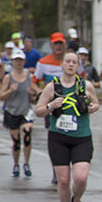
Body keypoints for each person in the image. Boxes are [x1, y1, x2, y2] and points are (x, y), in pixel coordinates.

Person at [35, 50, 100, 202]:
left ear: (78, 66)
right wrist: (50, 105)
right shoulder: (52, 87)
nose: (71, 65)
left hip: (82, 137)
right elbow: (38, 111)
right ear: (62, 65)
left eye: (74, 62)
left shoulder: (85, 85)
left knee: (80, 178)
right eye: (68, 61)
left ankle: (76, 201)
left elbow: (96, 103)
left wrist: (93, 107)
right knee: (63, 181)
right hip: (59, 138)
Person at [0, 49, 41, 177]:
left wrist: (33, 93)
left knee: (27, 136)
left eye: (21, 60)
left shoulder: (29, 76)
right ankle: (16, 164)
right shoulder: (8, 77)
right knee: (16, 141)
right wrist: (11, 90)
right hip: (12, 111)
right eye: (16, 60)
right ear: (12, 61)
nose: (18, 63)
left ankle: (26, 163)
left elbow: (34, 91)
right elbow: (1, 96)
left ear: (24, 61)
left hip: (25, 111)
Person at [33, 32, 68, 184]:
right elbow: (34, 82)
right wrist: (40, 91)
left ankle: (66, 168)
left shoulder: (71, 62)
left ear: (64, 45)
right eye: (56, 43)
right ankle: (56, 170)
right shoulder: (43, 62)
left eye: (61, 43)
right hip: (52, 107)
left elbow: (83, 81)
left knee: (69, 137)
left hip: (70, 107)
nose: (59, 46)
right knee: (54, 137)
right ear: (51, 46)